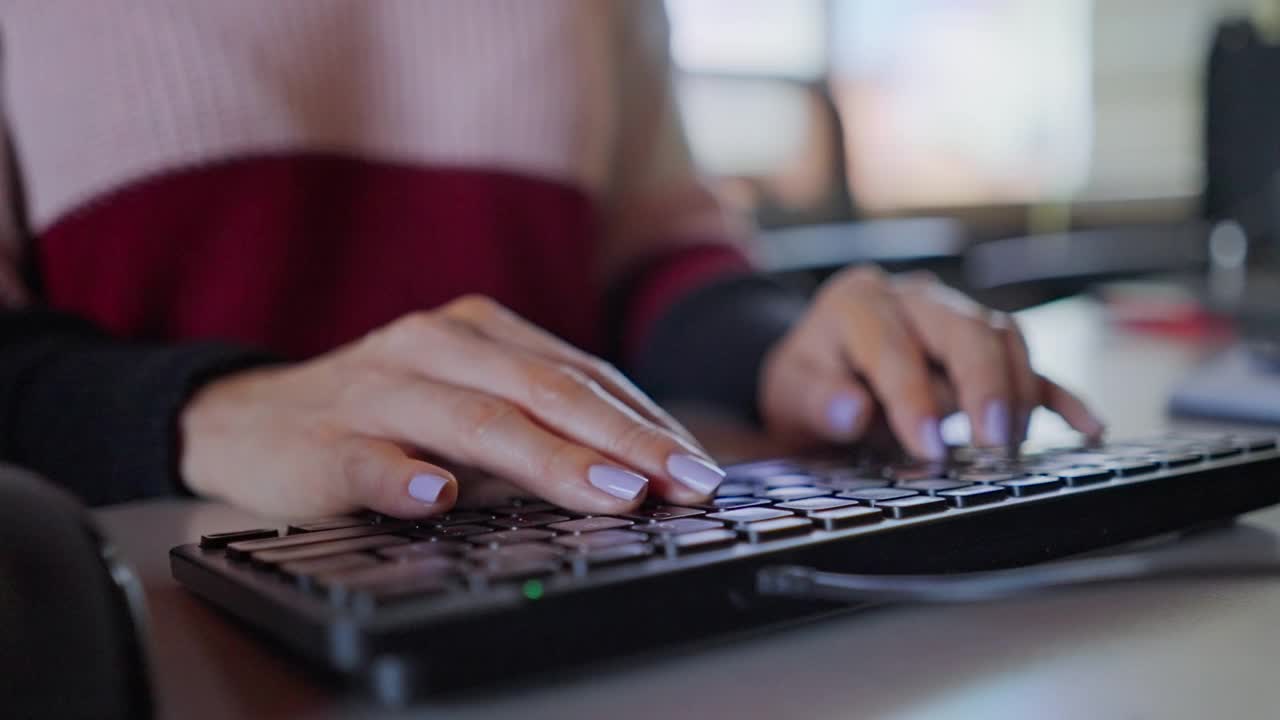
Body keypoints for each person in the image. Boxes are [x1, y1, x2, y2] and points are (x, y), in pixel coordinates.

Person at [0, 0, 1101, 519]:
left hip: (567, 575)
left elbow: (658, 260)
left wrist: (792, 350)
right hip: (149, 599)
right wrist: (204, 409)